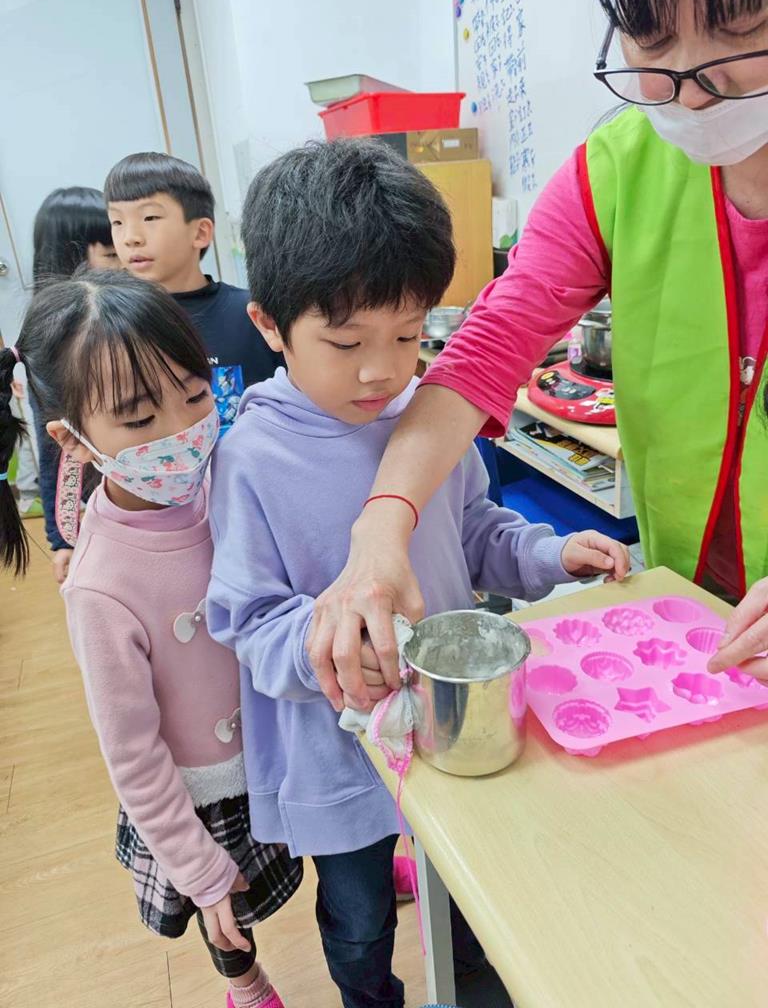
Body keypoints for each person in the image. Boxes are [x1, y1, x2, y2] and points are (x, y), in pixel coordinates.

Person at [205, 138, 629, 1008]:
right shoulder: (250, 458)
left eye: (408, 334)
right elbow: (247, 619)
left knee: (470, 890)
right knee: (360, 919)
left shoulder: (429, 415)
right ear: (270, 325)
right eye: (346, 341)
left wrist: (551, 555)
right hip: (336, 754)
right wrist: (327, 644)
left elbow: (475, 533)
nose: (382, 369)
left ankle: (472, 983)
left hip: (456, 729)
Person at [306, 0, 768, 702]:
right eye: (653, 44)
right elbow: (486, 349)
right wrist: (382, 525)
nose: (692, 87)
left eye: (738, 31)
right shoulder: (619, 168)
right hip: (689, 595)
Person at [0, 273, 302, 1008]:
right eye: (138, 419)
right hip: (202, 793)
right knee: (226, 910)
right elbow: (132, 753)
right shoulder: (101, 585)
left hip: (279, 740)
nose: (178, 432)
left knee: (315, 841)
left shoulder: (225, 480)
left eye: (195, 396)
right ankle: (247, 986)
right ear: (72, 439)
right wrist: (196, 867)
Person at [104, 152, 284, 436]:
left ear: (200, 232)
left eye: (149, 217)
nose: (130, 237)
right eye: (117, 222)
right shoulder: (110, 325)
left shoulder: (252, 314)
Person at [27, 186, 120, 583]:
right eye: (112, 254)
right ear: (72, 258)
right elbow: (52, 449)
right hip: (105, 495)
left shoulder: (125, 309)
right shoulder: (52, 336)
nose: (126, 262)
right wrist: (60, 537)